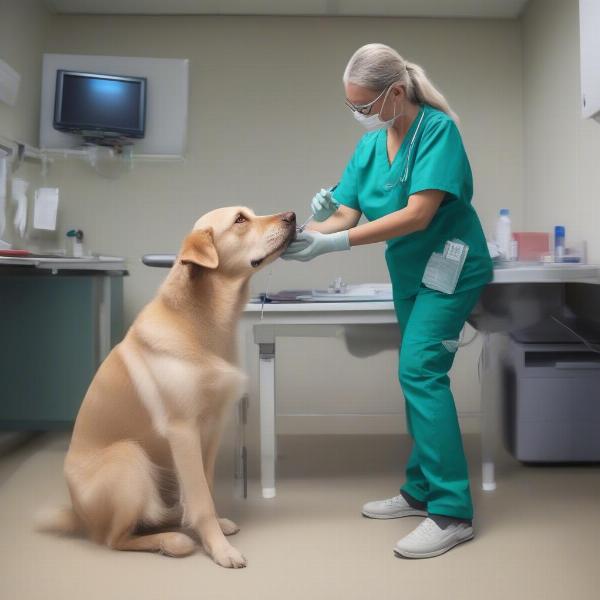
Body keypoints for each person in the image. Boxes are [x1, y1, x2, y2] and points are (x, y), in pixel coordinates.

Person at [282, 43, 493, 559]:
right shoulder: (371, 148)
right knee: (413, 372)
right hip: (409, 274)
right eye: (351, 107)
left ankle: (451, 511)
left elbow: (419, 214)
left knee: (420, 370)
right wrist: (304, 234)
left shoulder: (438, 132)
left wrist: (336, 242)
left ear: (396, 93)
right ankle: (419, 490)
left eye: (365, 106)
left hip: (452, 268)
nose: (360, 115)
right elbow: (344, 215)